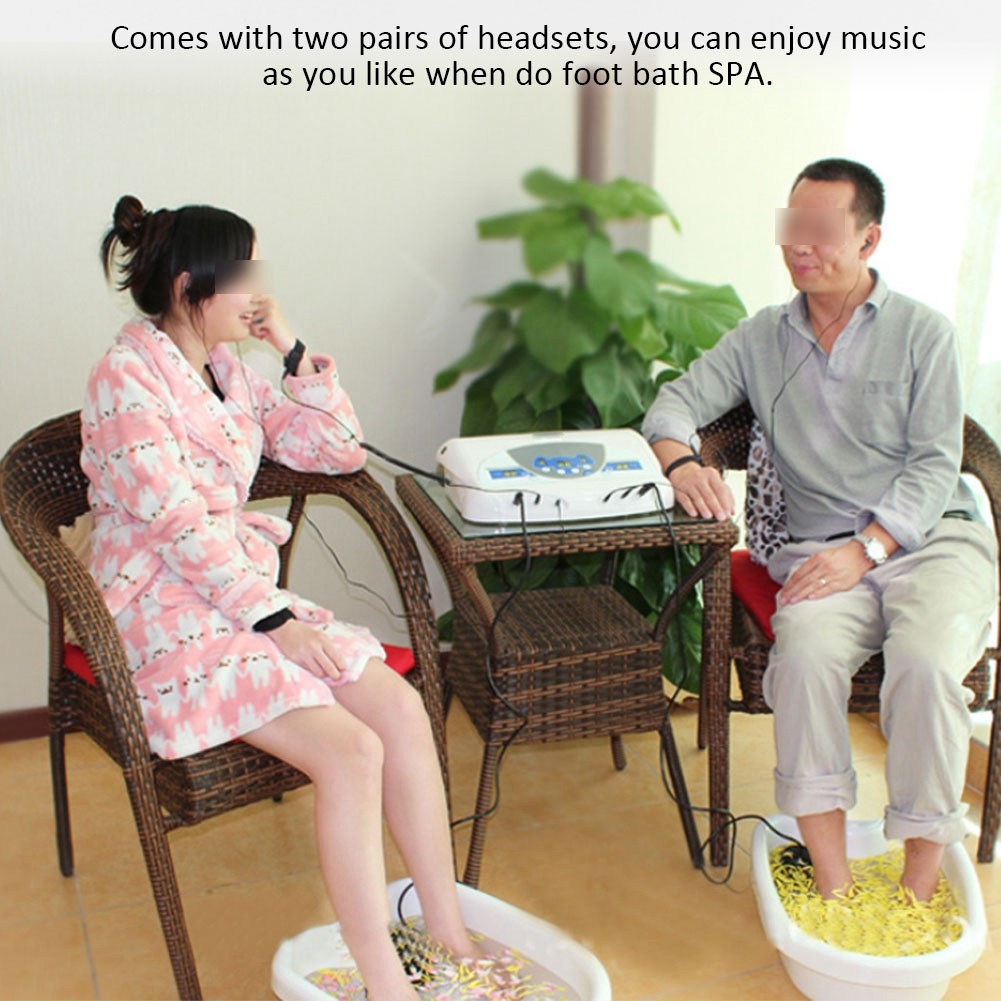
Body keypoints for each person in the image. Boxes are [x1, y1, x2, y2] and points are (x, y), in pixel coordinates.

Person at [83, 195, 486, 1000]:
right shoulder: (124, 378)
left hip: (233, 595)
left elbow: (337, 449)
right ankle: (385, 981)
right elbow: (176, 525)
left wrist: (288, 345)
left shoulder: (230, 371)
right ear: (191, 286)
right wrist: (274, 620)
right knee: (352, 750)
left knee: (400, 709)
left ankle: (447, 933)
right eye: (246, 273)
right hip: (160, 609)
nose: (260, 287)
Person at [642, 159, 997, 902]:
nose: (799, 245)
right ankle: (832, 884)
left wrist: (867, 548)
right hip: (818, 553)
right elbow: (672, 403)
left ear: (868, 240)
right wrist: (681, 463)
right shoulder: (760, 339)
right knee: (802, 656)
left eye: (821, 231)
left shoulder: (923, 333)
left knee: (928, 664)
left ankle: (917, 889)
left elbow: (936, 464)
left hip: (931, 539)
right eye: (791, 227)